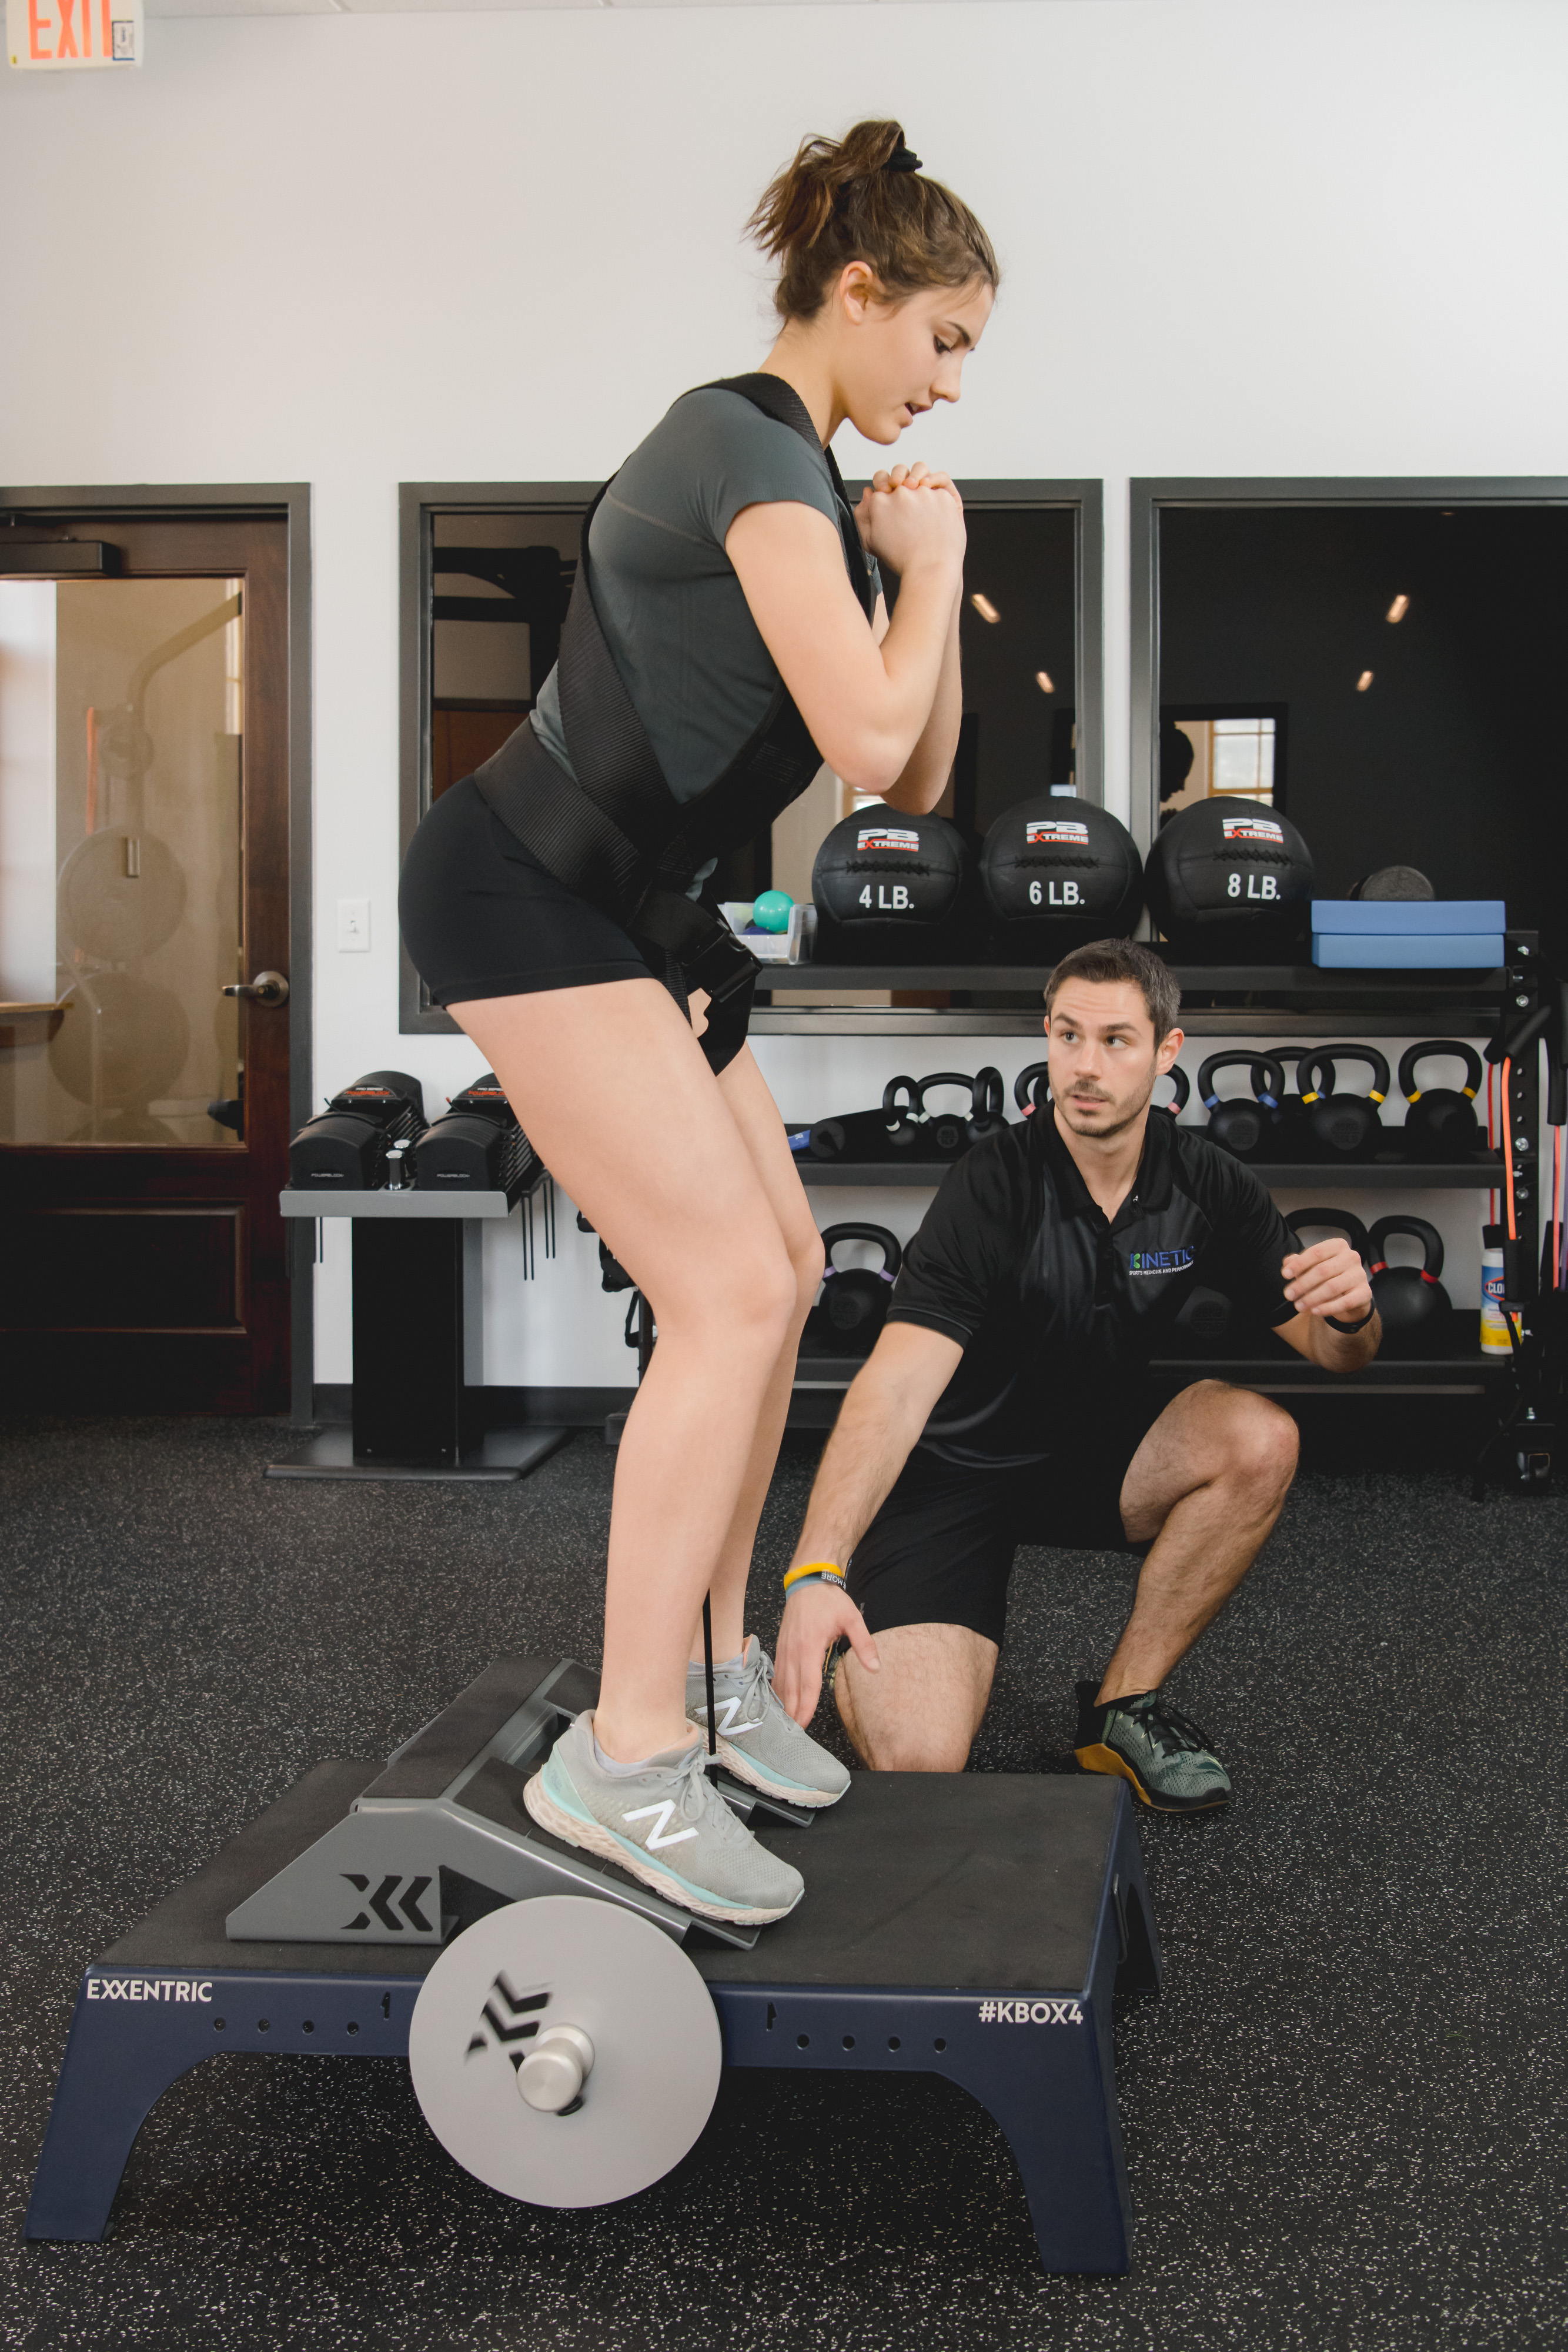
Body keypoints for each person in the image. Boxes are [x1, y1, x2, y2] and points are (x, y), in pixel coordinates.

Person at [397, 122, 998, 1925]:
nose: (951, 386)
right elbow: (878, 748)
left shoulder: (807, 481)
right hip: (519, 884)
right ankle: (631, 1752)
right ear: (860, 290)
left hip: (628, 913)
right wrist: (940, 552)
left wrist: (921, 581)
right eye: (945, 341)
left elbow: (916, 771)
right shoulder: (738, 449)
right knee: (729, 1293)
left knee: (789, 1268)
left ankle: (726, 1678)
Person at [773, 938, 1380, 1810]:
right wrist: (814, 1572)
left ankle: (1120, 1711)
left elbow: (1335, 1352)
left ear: (1168, 1052)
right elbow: (896, 1385)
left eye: (1116, 1041)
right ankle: (862, 1633)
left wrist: (1355, 1312)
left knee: (1259, 1438)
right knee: (920, 1764)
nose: (1085, 1067)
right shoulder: (994, 1183)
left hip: (1095, 1453)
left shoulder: (1205, 1178)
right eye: (1068, 1036)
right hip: (952, 1474)